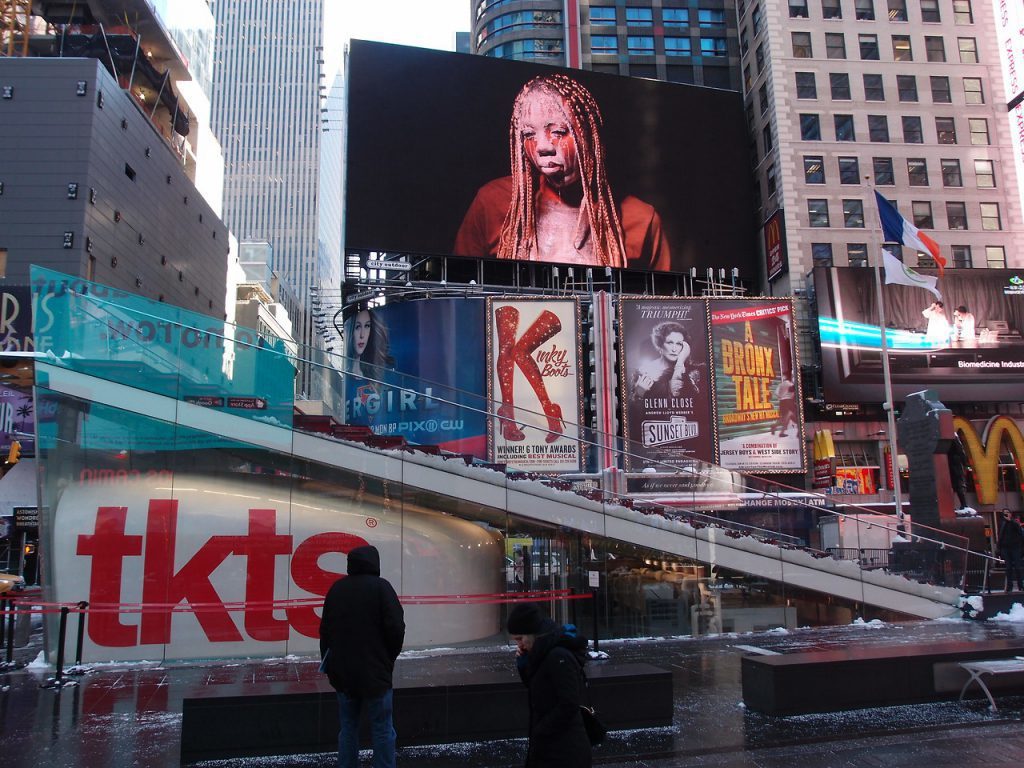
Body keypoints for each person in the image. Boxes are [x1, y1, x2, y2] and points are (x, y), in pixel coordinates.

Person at [454, 73, 671, 271]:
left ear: (589, 134)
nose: (542, 147)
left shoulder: (640, 217)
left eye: (558, 131)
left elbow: (663, 305)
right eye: (529, 134)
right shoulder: (493, 201)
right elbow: (460, 287)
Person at [320, 545, 406, 768]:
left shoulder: (336, 589)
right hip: (376, 673)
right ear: (375, 563)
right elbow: (396, 628)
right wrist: (388, 659)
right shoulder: (382, 588)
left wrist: (331, 667)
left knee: (348, 729)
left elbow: (325, 632)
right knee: (383, 729)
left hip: (344, 674)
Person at [506, 603, 591, 768]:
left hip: (564, 750)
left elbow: (569, 703)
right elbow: (535, 686)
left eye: (520, 638)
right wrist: (523, 663)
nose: (519, 644)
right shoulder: (542, 652)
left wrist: (541, 730)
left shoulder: (557, 655)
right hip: (551, 746)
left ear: (533, 633)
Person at [630, 321, 696, 401]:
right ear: (660, 345)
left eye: (679, 344)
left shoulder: (692, 372)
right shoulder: (644, 372)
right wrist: (639, 393)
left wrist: (680, 361)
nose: (674, 349)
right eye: (669, 343)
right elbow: (634, 409)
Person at [345, 307, 394, 378]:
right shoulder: (347, 376)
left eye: (367, 326)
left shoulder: (382, 372)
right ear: (350, 331)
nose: (362, 335)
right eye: (358, 327)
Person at [998, 509, 1024, 593]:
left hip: (1015, 548)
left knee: (1017, 567)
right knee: (1008, 568)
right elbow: (1001, 536)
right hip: (1006, 548)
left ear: (1010, 514)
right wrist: (999, 548)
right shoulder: (1003, 524)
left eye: (1007, 513)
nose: (1006, 515)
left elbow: (1019, 530)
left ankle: (1021, 585)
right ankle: (1009, 586)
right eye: (1004, 513)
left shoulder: (1014, 523)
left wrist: (1011, 521)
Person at [947, 433, 971, 512]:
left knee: (957, 486)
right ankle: (963, 504)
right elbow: (961, 450)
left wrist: (965, 464)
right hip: (953, 464)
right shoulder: (953, 435)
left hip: (951, 464)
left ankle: (963, 505)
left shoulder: (951, 434)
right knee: (958, 485)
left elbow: (961, 450)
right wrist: (965, 464)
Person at [770, 371, 798, 437]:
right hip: (789, 402)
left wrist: (781, 397)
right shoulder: (790, 385)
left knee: (785, 417)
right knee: (792, 417)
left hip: (782, 402)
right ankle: (781, 432)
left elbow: (776, 393)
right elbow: (793, 394)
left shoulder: (781, 384)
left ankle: (775, 427)